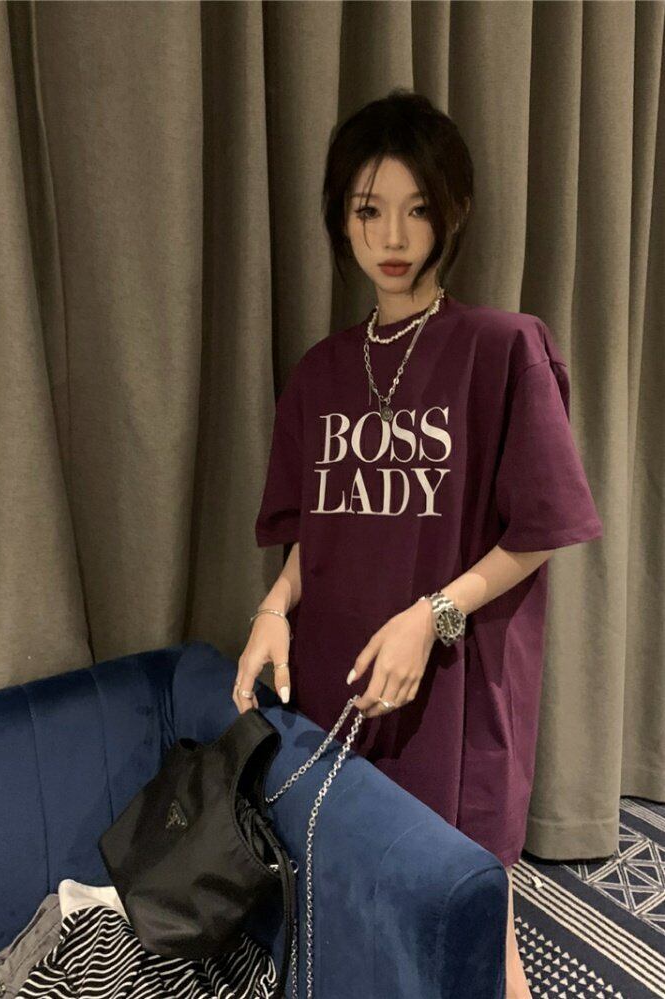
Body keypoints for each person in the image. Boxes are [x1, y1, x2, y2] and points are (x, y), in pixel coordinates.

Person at [234, 89, 603, 999]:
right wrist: (273, 609)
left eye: (418, 208)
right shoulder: (320, 373)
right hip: (339, 677)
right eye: (369, 210)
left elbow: (540, 531)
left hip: (451, 691)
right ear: (341, 219)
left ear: (453, 212)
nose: (392, 236)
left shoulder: (502, 349)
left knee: (473, 917)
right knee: (356, 897)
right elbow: (317, 529)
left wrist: (431, 615)